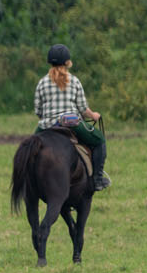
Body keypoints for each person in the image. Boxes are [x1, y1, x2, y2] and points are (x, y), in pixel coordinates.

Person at [36, 44, 109, 189]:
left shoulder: (42, 82)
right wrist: (93, 115)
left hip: (48, 125)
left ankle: (29, 182)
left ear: (50, 62)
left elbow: (38, 111)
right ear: (67, 62)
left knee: (30, 148)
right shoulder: (74, 81)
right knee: (99, 139)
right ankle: (97, 179)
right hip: (71, 122)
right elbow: (83, 109)